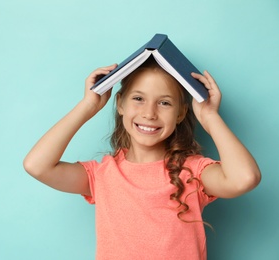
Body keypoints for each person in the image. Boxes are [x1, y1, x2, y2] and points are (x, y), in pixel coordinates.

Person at [23, 58, 261, 260]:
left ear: (180, 113)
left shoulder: (193, 172)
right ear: (120, 105)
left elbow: (245, 178)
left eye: (164, 103)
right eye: (138, 98)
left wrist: (210, 117)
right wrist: (88, 105)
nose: (149, 113)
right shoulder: (103, 175)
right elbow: (37, 165)